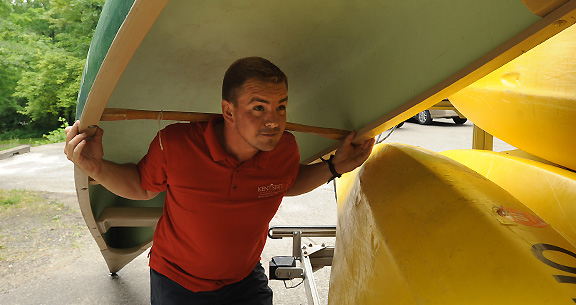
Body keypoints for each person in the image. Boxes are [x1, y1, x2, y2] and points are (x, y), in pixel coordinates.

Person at [64, 57, 374, 304]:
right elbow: (142, 186)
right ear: (228, 110)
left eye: (281, 106)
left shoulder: (285, 149)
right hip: (177, 281)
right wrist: (96, 167)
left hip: (243, 280)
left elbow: (287, 182)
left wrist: (335, 166)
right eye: (258, 107)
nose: (274, 120)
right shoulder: (175, 144)